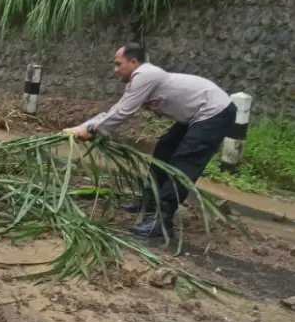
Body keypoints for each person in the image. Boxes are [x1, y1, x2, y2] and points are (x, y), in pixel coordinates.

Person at [63, 43, 236, 237]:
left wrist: (90, 130)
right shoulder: (140, 79)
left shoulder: (145, 75)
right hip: (197, 114)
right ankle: (150, 201)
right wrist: (83, 127)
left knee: (184, 162)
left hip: (214, 112)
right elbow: (116, 110)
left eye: (118, 64)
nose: (115, 70)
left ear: (133, 62)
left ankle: (163, 220)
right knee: (164, 148)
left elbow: (122, 113)